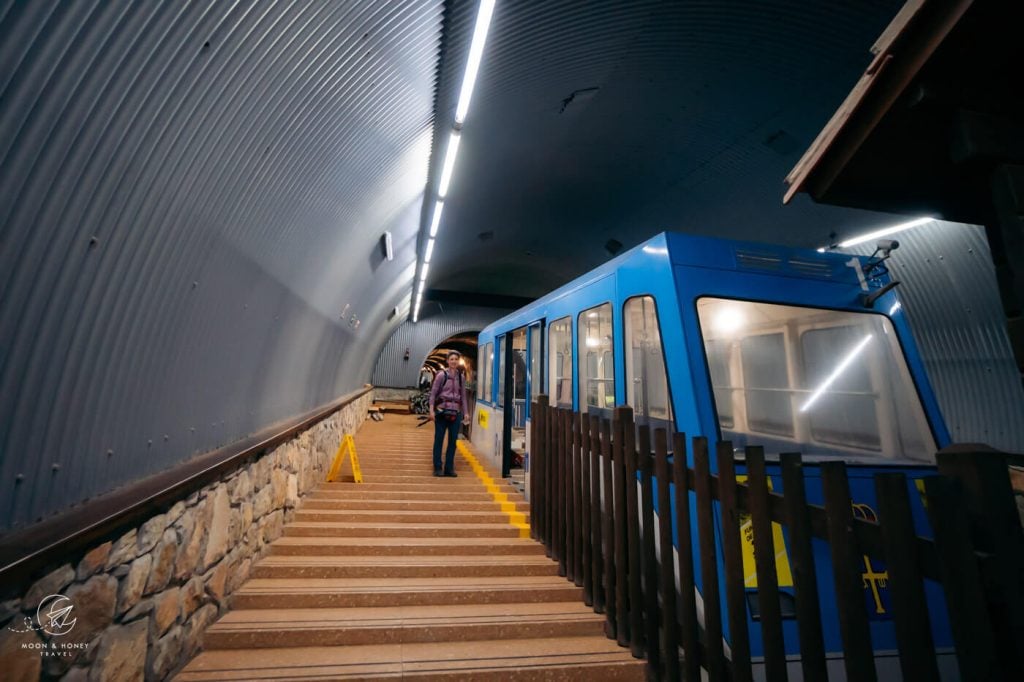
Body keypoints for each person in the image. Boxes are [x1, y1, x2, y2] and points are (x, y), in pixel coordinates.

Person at [428, 351, 470, 477]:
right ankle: (437, 467)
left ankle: (449, 468)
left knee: (453, 441)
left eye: (456, 359)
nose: (454, 361)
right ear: (447, 361)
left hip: (455, 413)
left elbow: (463, 397)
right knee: (439, 440)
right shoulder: (441, 375)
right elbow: (433, 394)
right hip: (441, 411)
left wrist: (466, 413)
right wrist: (431, 410)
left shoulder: (461, 378)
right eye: (451, 359)